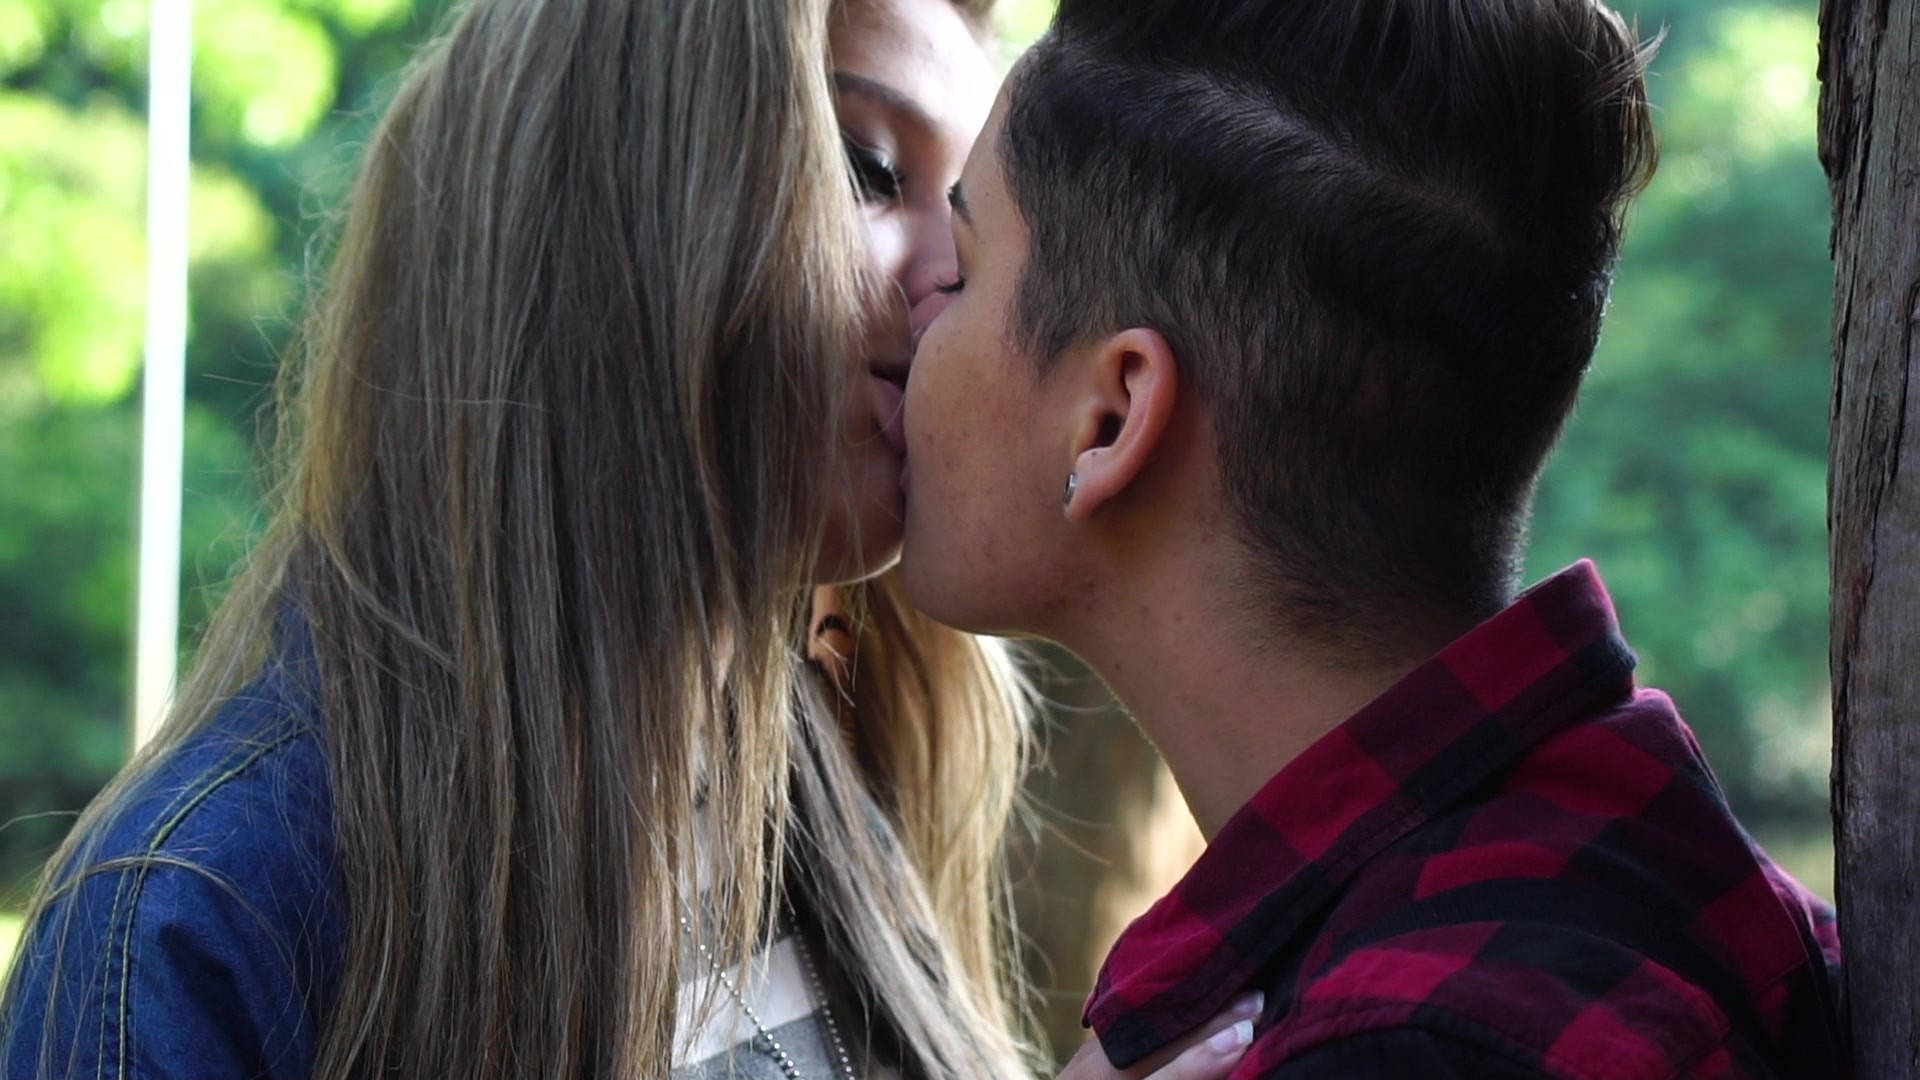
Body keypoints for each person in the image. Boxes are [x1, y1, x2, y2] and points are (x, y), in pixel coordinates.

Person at [0, 0, 1252, 1077]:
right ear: (610, 197)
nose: (958, 277)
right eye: (871, 168)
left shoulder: (830, 791)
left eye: (972, 212)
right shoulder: (198, 913)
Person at [901, 0, 1848, 1075]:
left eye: (967, 266)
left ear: (1112, 418)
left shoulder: (1406, 1047)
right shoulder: (1639, 864)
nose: (913, 304)